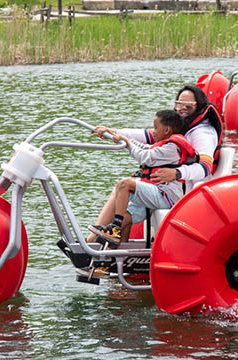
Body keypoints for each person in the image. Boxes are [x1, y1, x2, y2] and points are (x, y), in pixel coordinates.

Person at [89, 84, 223, 243]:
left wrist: (177, 173)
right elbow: (146, 136)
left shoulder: (203, 133)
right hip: (165, 184)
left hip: (185, 191)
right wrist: (113, 133)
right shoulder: (180, 128)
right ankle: (108, 249)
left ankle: (91, 243)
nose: (182, 109)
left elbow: (205, 168)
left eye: (189, 105)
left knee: (124, 185)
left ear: (199, 106)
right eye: (179, 104)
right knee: (121, 192)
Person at [88, 109, 194, 249]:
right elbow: (144, 147)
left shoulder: (172, 148)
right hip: (157, 193)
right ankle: (116, 257)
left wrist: (128, 144)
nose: (153, 131)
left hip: (166, 196)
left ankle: (115, 229)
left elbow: (146, 157)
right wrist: (123, 139)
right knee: (126, 217)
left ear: (167, 130)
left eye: (156, 128)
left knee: (124, 185)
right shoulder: (163, 146)